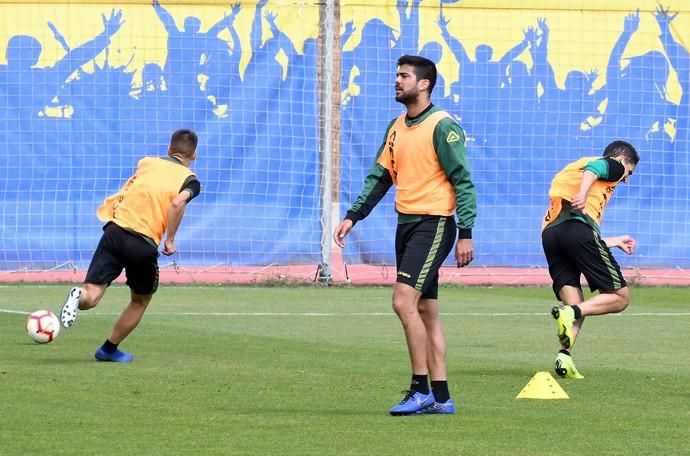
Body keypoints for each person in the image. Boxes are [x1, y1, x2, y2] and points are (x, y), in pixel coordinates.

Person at [333, 55, 477, 415]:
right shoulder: (396, 126)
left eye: (404, 76)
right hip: (407, 225)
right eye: (396, 75)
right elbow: (381, 176)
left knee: (402, 302)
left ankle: (420, 389)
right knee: (426, 309)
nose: (397, 81)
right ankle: (442, 398)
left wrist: (466, 232)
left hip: (435, 224)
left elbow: (463, 180)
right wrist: (354, 216)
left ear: (424, 84)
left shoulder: (443, 126)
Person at [60, 129, 201, 362]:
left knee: (92, 294)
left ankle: (79, 295)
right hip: (142, 242)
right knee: (140, 300)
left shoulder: (146, 163)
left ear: (168, 149)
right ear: (194, 156)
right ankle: (108, 350)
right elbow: (177, 203)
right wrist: (170, 240)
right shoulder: (191, 181)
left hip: (114, 231)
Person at [542, 140, 639, 379]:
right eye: (629, 172)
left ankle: (564, 357)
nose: (625, 179)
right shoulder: (612, 165)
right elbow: (596, 169)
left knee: (576, 304)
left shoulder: (573, 167)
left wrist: (613, 241)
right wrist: (583, 194)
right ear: (622, 160)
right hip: (577, 229)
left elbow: (576, 237)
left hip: (551, 234)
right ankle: (570, 313)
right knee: (619, 298)